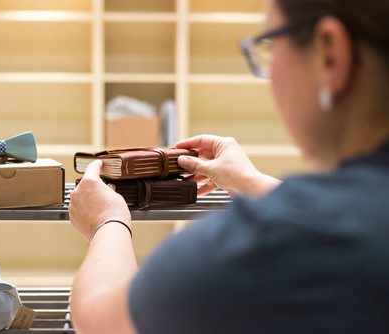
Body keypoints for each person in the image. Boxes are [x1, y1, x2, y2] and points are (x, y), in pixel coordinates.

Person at [68, 0, 389, 332]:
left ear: (330, 54)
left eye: (272, 45)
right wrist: (251, 182)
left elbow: (102, 320)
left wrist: (107, 224)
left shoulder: (276, 239)